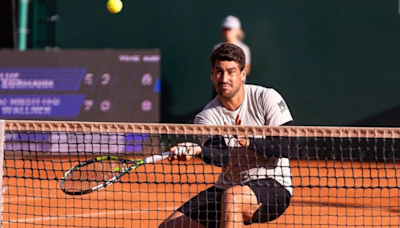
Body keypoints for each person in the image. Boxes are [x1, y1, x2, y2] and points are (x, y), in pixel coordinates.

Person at [159, 43, 295, 228]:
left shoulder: (266, 98)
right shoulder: (206, 117)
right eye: (219, 72)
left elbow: (289, 146)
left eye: (231, 72)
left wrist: (248, 140)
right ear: (212, 75)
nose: (224, 78)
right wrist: (198, 150)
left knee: (233, 199)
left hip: (273, 186)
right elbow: (221, 156)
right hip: (228, 185)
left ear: (243, 75)